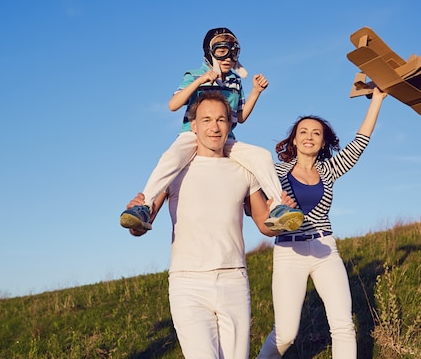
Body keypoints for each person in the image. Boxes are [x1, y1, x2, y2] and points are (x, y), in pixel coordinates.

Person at [124, 91, 284, 358]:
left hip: (233, 278)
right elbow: (140, 226)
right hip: (188, 283)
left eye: (221, 119)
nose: (214, 126)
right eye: (206, 119)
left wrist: (279, 219)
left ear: (230, 124)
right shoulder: (175, 169)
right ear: (193, 125)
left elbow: (264, 225)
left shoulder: (244, 168)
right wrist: (135, 218)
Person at [120, 27, 302, 234]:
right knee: (170, 158)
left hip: (225, 138)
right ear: (209, 51)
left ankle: (278, 206)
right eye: (221, 50)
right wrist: (200, 81)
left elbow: (239, 117)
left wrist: (256, 92)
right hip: (192, 134)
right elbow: (173, 105)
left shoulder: (235, 81)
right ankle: (144, 207)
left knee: (262, 155)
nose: (228, 58)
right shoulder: (194, 75)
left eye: (233, 52)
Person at [257, 87, 388, 359]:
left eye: (316, 133)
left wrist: (377, 99)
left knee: (343, 325)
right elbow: (252, 194)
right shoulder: (274, 171)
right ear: (293, 140)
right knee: (286, 334)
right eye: (303, 131)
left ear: (322, 142)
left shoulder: (328, 170)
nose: (309, 136)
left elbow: (360, 142)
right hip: (288, 252)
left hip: (324, 248)